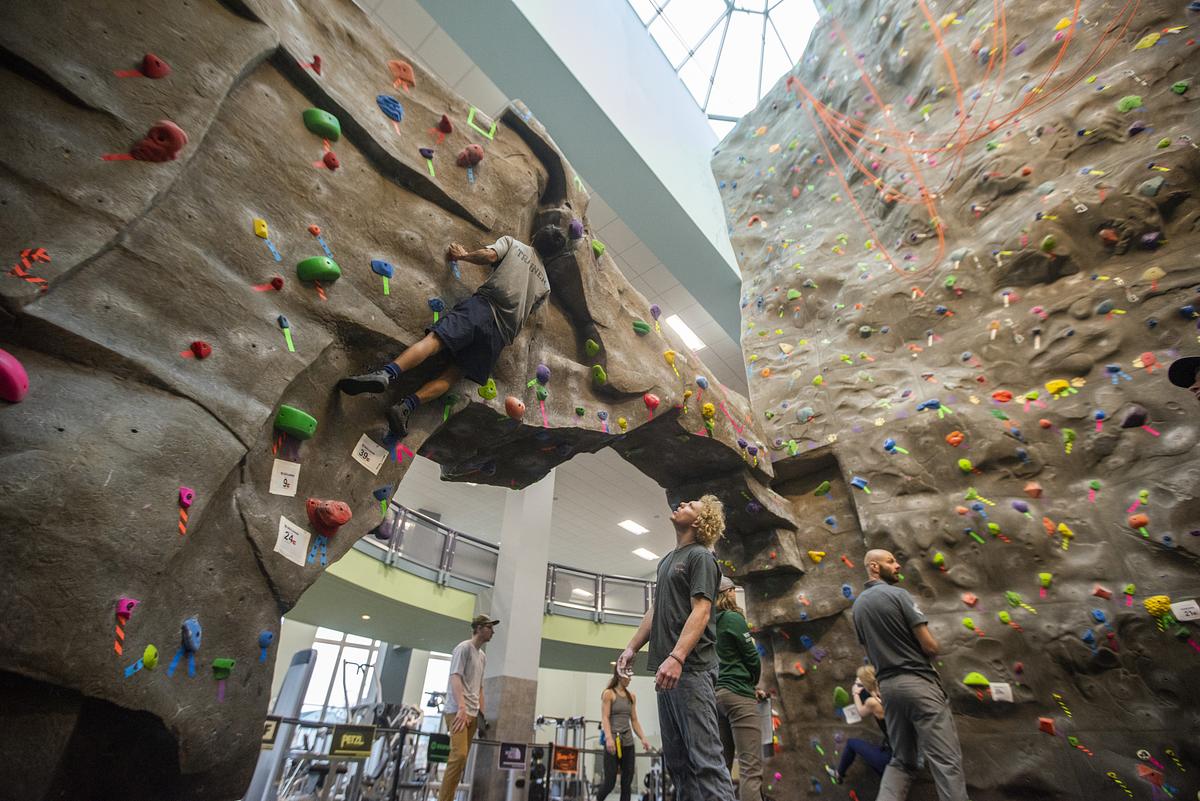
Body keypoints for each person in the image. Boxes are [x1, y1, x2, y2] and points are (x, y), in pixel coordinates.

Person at [338, 226, 565, 437]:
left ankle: (386, 374)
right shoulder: (545, 285)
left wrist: (462, 255)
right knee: (453, 375)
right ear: (553, 256)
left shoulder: (514, 244)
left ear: (534, 237)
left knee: (435, 341)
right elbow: (529, 313)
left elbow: (489, 256)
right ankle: (406, 407)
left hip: (484, 307)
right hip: (501, 335)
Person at [617, 496, 735, 801]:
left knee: (706, 763)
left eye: (692, 505)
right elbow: (656, 611)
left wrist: (677, 656)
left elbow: (702, 611)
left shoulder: (701, 558)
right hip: (666, 673)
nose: (682, 503)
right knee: (679, 766)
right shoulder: (667, 560)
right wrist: (631, 648)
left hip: (691, 670)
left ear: (699, 521)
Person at [851, 549, 968, 801]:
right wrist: (938, 648)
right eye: (890, 561)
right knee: (946, 761)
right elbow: (929, 646)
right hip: (919, 684)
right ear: (873, 566)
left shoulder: (858, 607)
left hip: (889, 690)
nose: (897, 565)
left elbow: (870, 650)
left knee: (902, 761)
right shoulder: (899, 595)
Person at [713, 575, 766, 801]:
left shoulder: (708, 621)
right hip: (738, 696)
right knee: (750, 768)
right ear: (728, 592)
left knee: (721, 766)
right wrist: (751, 682)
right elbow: (752, 658)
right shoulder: (733, 618)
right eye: (734, 590)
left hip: (716, 696)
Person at [438, 614, 498, 801]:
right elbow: (455, 677)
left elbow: (479, 686)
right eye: (489, 627)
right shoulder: (463, 648)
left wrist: (481, 712)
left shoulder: (482, 656)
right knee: (460, 755)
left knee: (462, 760)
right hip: (457, 712)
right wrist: (462, 708)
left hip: (472, 714)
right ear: (479, 628)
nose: (493, 631)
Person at [827, 665, 891, 784]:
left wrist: (855, 693)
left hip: (892, 756)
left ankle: (838, 775)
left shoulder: (873, 702)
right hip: (901, 749)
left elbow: (861, 712)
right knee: (875, 759)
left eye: (859, 680)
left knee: (851, 743)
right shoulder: (886, 692)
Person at [598, 664, 652, 801]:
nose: (630, 679)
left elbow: (634, 720)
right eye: (628, 676)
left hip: (628, 743)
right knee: (610, 782)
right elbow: (605, 717)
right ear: (620, 676)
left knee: (626, 782)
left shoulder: (631, 697)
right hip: (613, 743)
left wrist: (643, 738)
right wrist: (609, 738)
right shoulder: (609, 694)